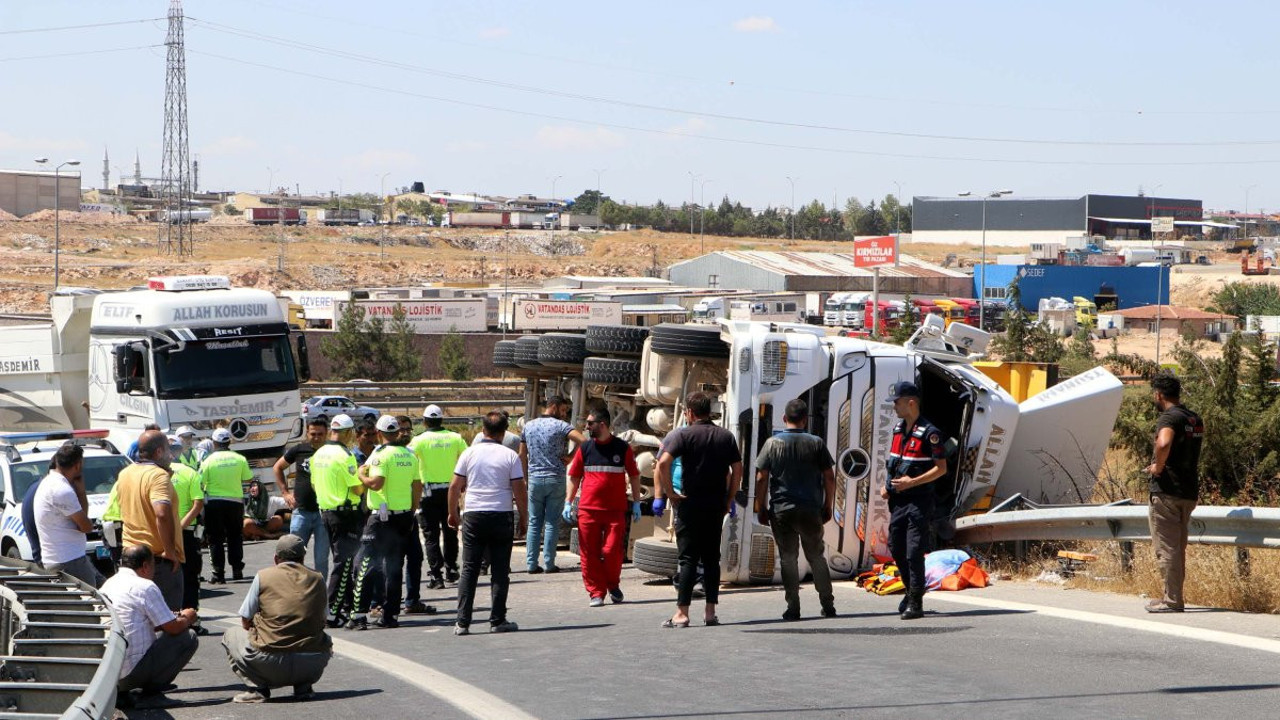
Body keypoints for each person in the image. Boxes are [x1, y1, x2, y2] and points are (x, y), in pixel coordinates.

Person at [655, 391, 742, 628]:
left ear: (690, 413)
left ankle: (681, 613)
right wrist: (729, 498)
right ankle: (710, 612)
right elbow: (737, 469)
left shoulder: (684, 434)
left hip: (689, 504)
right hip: (715, 505)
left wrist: (669, 493)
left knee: (688, 559)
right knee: (712, 559)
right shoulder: (725, 436)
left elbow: (663, 463)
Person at [754, 398, 838, 621]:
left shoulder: (772, 443)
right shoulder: (816, 443)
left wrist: (759, 506)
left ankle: (793, 608)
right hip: (811, 510)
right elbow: (829, 477)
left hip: (782, 510)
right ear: (804, 420)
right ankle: (827, 605)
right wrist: (828, 505)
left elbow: (761, 477)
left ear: (784, 419)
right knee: (816, 557)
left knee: (788, 559)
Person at [223, 535, 333, 704]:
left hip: (271, 663)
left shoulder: (263, 576)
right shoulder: (318, 578)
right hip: (311, 663)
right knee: (320, 636)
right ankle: (303, 687)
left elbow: (245, 619)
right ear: (303, 558)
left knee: (231, 634)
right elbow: (323, 620)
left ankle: (258, 689)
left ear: (276, 558)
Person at [448, 410, 527, 636]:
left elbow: (455, 487)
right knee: (500, 570)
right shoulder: (510, 456)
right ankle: (497, 620)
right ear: (504, 433)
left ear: (483, 431)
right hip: (501, 514)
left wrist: (453, 513)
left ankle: (462, 622)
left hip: (473, 514)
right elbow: (519, 489)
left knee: (469, 569)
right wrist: (523, 517)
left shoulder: (469, 453)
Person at [881, 381, 947, 621]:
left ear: (911, 403)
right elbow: (894, 463)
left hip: (919, 501)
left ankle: (916, 601)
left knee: (913, 551)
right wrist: (887, 486)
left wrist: (912, 482)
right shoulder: (899, 430)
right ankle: (911, 591)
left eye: (897, 402)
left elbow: (941, 469)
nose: (894, 407)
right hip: (898, 501)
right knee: (896, 548)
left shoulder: (931, 433)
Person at [101, 545, 198, 706]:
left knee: (160, 633)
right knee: (187, 637)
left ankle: (124, 693)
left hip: (108, 675)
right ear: (146, 566)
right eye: (153, 566)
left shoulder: (109, 584)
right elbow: (172, 628)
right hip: (128, 674)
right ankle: (151, 693)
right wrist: (188, 618)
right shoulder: (144, 586)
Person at [348, 416, 421, 630]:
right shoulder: (409, 454)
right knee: (394, 567)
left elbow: (376, 484)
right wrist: (411, 510)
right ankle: (390, 615)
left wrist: (362, 473)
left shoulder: (379, 455)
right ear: (397, 431)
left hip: (380, 517)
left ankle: (359, 615)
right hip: (404, 516)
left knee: (365, 564)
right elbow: (417, 486)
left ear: (379, 433)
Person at [566, 408, 641, 607]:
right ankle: (596, 592)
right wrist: (568, 502)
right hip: (588, 510)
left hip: (615, 511)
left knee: (611, 551)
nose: (587, 427)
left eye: (590, 423)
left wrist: (636, 503)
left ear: (603, 425)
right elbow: (574, 476)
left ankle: (612, 585)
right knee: (589, 554)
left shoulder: (622, 448)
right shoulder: (585, 448)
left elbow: (634, 475)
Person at [1144, 373, 1205, 614]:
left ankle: (1171, 600)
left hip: (1167, 491)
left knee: (1167, 547)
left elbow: (1163, 443)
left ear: (1159, 394)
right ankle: (1174, 596)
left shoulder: (1169, 417)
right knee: (1178, 548)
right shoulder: (1194, 418)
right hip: (1188, 490)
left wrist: (1157, 467)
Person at [116, 430, 185, 609]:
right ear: (159, 452)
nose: (171, 455)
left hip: (130, 557)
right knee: (168, 618)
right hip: (157, 560)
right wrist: (170, 552)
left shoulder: (125, 473)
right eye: (168, 450)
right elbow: (161, 514)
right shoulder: (157, 475)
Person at [311, 414, 365, 627]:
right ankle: (332, 611)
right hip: (345, 514)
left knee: (343, 561)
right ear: (348, 432)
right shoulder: (346, 456)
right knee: (344, 564)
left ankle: (349, 608)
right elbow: (357, 489)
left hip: (326, 512)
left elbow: (315, 485)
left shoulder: (319, 454)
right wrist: (363, 475)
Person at [520, 396, 585, 574]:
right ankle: (549, 563)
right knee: (551, 522)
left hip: (534, 479)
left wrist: (525, 478)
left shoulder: (528, 426)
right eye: (563, 410)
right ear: (554, 407)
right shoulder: (561, 426)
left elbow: (522, 454)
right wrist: (571, 456)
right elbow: (584, 441)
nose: (564, 414)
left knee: (534, 522)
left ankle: (531, 564)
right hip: (555, 478)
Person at [409, 405, 467, 591]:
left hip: (428, 493)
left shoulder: (418, 441)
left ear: (424, 421)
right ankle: (451, 569)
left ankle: (436, 575)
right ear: (442, 420)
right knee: (450, 531)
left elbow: (408, 460)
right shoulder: (455, 438)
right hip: (451, 492)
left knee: (431, 536)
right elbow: (467, 458)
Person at [34, 442, 101, 586]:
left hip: (57, 560)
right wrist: (82, 492)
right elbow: (86, 527)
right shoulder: (62, 489)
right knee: (89, 607)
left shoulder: (47, 483)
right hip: (70, 562)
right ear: (78, 465)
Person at [276, 418, 330, 582]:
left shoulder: (330, 452)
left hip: (324, 513)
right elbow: (277, 467)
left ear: (326, 433)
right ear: (307, 433)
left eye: (320, 434)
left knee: (321, 559)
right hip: (301, 512)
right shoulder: (299, 450)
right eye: (313, 433)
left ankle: (320, 595)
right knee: (292, 556)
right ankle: (293, 590)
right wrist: (285, 493)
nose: (316, 437)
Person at [200, 428, 254, 583]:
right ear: (229, 441)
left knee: (215, 539)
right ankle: (237, 569)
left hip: (214, 503)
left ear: (214, 443)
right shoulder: (239, 458)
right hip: (235, 503)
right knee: (235, 536)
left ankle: (218, 573)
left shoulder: (208, 461)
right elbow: (248, 478)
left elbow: (200, 482)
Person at [395, 415, 434, 615]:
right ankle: (388, 602)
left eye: (407, 429)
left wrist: (413, 509)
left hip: (409, 514)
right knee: (393, 560)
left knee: (415, 558)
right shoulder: (384, 453)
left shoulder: (412, 453)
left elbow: (416, 484)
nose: (404, 433)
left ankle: (412, 601)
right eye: (400, 429)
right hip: (389, 516)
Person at [168, 439, 205, 615]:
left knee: (167, 576)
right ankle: (191, 618)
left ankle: (169, 617)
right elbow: (198, 504)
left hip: (163, 532)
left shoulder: (154, 473)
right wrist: (181, 526)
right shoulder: (189, 473)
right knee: (190, 576)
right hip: (187, 533)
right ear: (179, 453)